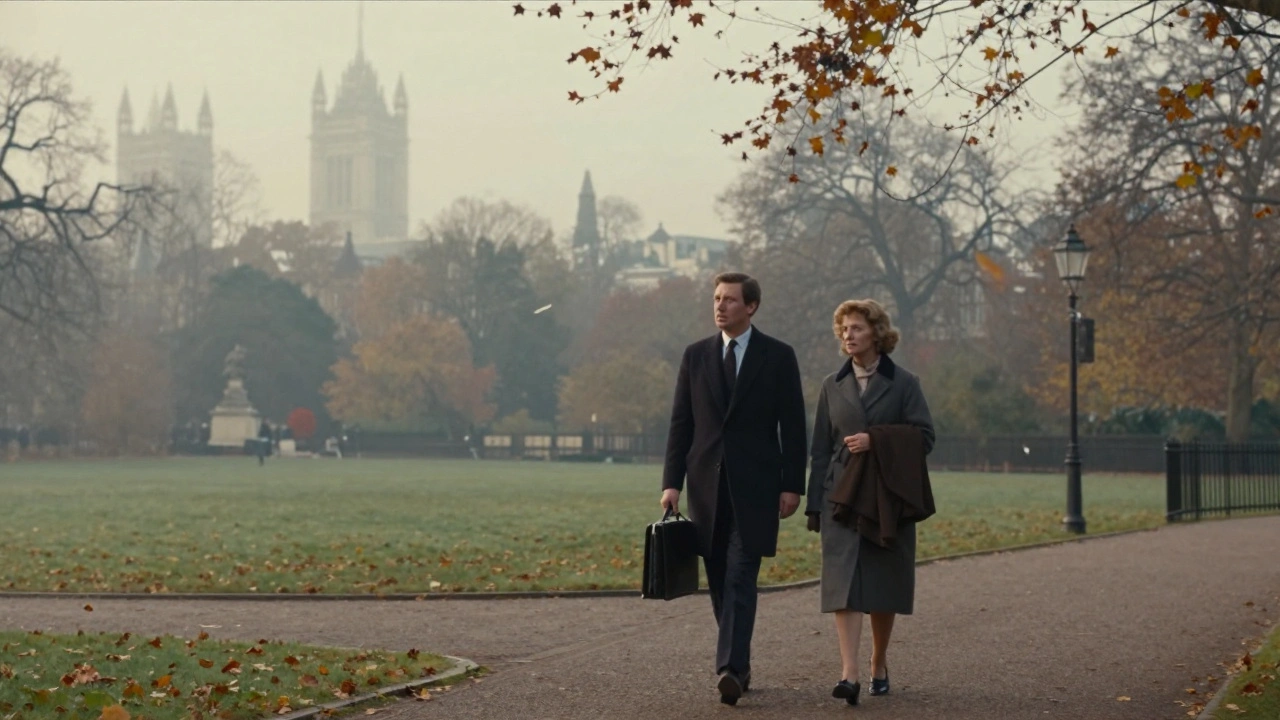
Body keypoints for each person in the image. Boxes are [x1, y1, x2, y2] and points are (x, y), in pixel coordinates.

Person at [661, 272, 808, 706]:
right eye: (716, 299)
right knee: (720, 578)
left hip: (758, 487)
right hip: (706, 486)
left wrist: (792, 485)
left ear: (751, 306)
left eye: (729, 299)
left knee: (742, 574)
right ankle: (739, 666)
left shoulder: (778, 356)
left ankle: (728, 667)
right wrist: (671, 483)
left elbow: (793, 426)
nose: (720, 306)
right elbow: (681, 424)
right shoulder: (695, 356)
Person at [805, 299, 935, 706]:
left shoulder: (905, 383)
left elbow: (924, 437)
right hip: (840, 498)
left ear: (877, 334)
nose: (849, 335)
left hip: (886, 498)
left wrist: (876, 440)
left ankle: (878, 661)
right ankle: (849, 674)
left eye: (857, 328)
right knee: (842, 583)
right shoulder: (831, 384)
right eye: (844, 329)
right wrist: (814, 503)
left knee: (881, 583)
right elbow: (820, 449)